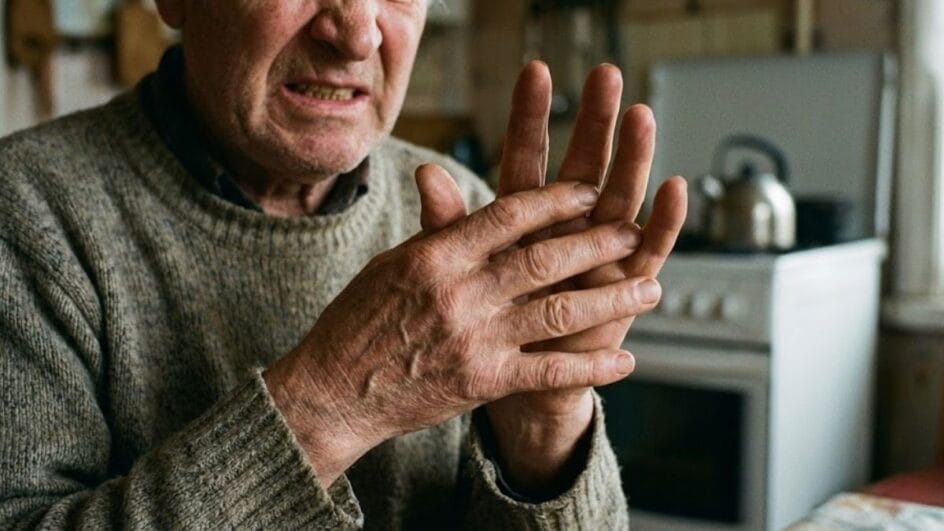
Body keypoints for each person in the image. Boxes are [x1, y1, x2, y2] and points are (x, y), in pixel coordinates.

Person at [0, 0, 687, 528]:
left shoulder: (470, 214)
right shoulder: (25, 212)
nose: (357, 34)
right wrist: (333, 402)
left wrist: (543, 434)